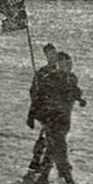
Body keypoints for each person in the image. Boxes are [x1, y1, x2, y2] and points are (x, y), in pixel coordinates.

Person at [29, 52, 86, 184]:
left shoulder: (72, 78)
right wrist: (33, 115)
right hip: (52, 121)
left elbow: (75, 92)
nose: (70, 66)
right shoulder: (51, 79)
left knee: (52, 151)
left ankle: (43, 180)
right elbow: (39, 97)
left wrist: (80, 100)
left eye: (71, 63)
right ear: (59, 64)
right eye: (67, 64)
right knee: (59, 151)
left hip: (64, 121)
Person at [26, 44, 59, 176]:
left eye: (55, 53)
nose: (53, 57)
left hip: (55, 111)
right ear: (47, 56)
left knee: (45, 136)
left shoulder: (58, 71)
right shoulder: (42, 72)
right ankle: (41, 168)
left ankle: (35, 162)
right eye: (51, 54)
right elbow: (33, 91)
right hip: (47, 110)